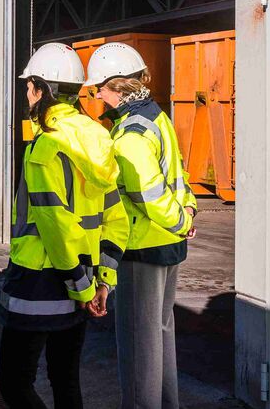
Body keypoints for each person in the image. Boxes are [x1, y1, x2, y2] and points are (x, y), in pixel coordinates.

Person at [0, 43, 129, 408]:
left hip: (41, 280)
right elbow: (116, 218)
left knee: (12, 381)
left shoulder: (45, 147)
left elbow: (55, 224)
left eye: (28, 87)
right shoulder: (100, 138)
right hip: (85, 275)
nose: (26, 94)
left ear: (40, 89)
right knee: (65, 378)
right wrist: (102, 282)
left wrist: (82, 288)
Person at [84, 42, 197, 409]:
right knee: (160, 334)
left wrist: (179, 219)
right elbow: (178, 174)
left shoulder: (129, 135)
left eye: (98, 88)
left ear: (114, 87)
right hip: (167, 245)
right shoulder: (155, 116)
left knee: (138, 345)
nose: (96, 95)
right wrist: (187, 213)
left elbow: (148, 194)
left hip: (140, 249)